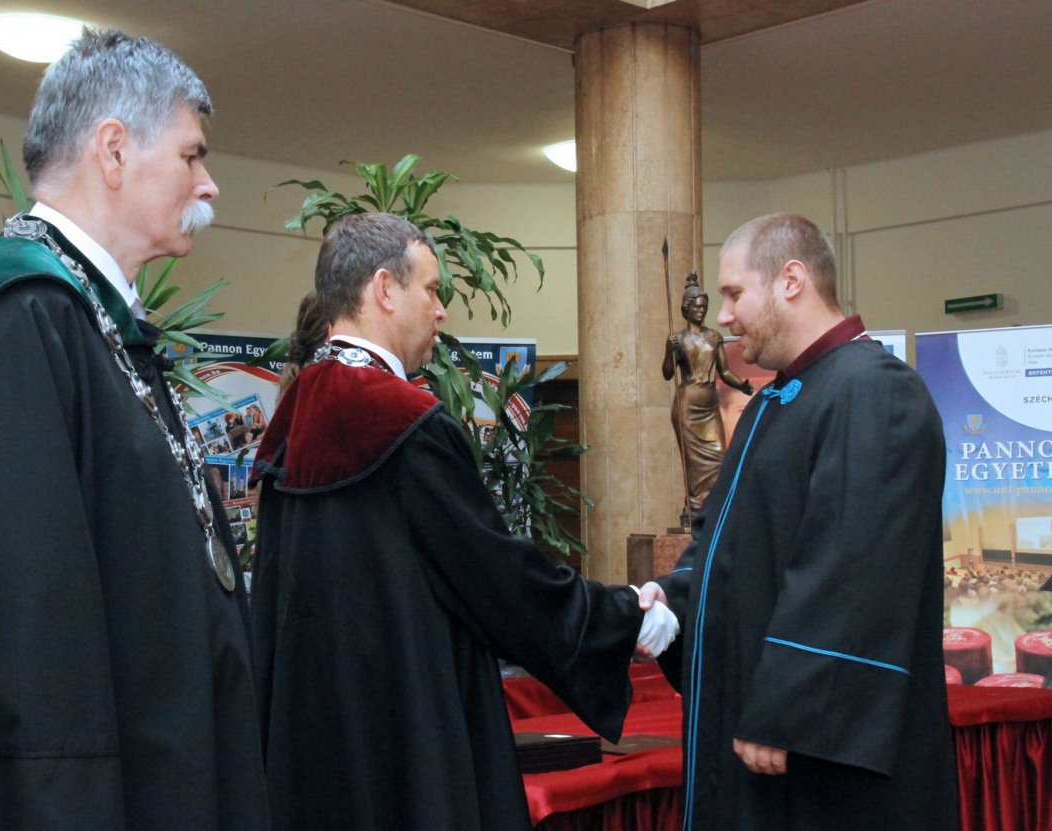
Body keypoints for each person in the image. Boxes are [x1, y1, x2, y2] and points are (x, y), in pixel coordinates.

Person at [0, 29, 270, 829]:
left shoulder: (86, 316)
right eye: (191, 155)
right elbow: (23, 634)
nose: (209, 183)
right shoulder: (22, 316)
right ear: (114, 151)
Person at [250, 212, 679, 831]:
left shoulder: (292, 417)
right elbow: (498, 580)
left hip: (312, 740)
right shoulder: (405, 421)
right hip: (407, 733)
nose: (442, 310)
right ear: (384, 289)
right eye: (431, 289)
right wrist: (622, 616)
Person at [640, 213, 957, 830]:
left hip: (818, 754)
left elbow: (854, 570)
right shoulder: (778, 400)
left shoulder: (876, 391)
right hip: (760, 738)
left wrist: (788, 709)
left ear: (791, 280)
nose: (724, 316)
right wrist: (670, 602)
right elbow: (725, 541)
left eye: (734, 294)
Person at [661, 272, 753, 517]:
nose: (700, 311)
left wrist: (743, 385)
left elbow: (725, 372)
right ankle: (694, 510)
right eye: (696, 307)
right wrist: (669, 351)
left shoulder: (714, 337)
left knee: (718, 457)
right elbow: (668, 374)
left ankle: (714, 507)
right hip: (687, 405)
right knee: (693, 464)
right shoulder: (678, 339)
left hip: (709, 404)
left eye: (704, 307)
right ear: (686, 309)